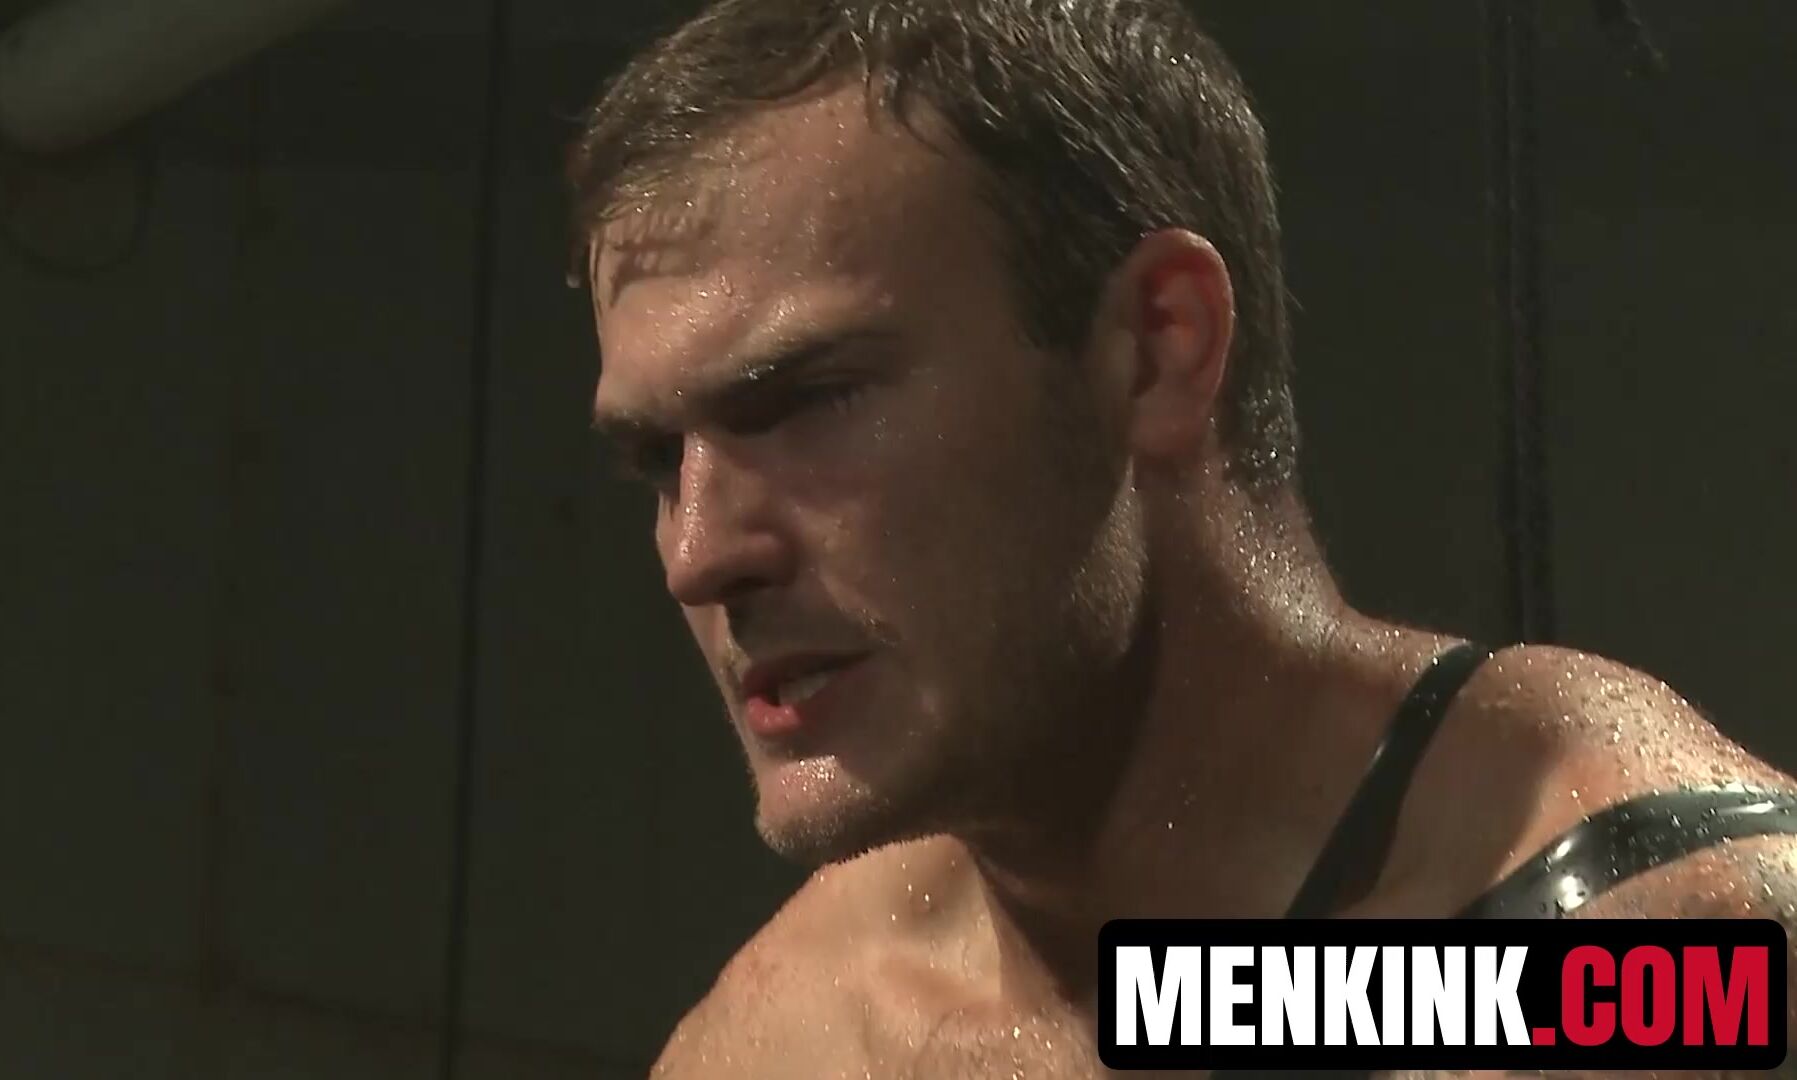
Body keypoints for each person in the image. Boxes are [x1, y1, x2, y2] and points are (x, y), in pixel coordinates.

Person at [570, 1, 1797, 1074]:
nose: (697, 554)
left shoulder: (1642, 962)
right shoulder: (805, 1033)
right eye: (659, 461)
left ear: (1158, 349)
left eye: (806, 400)